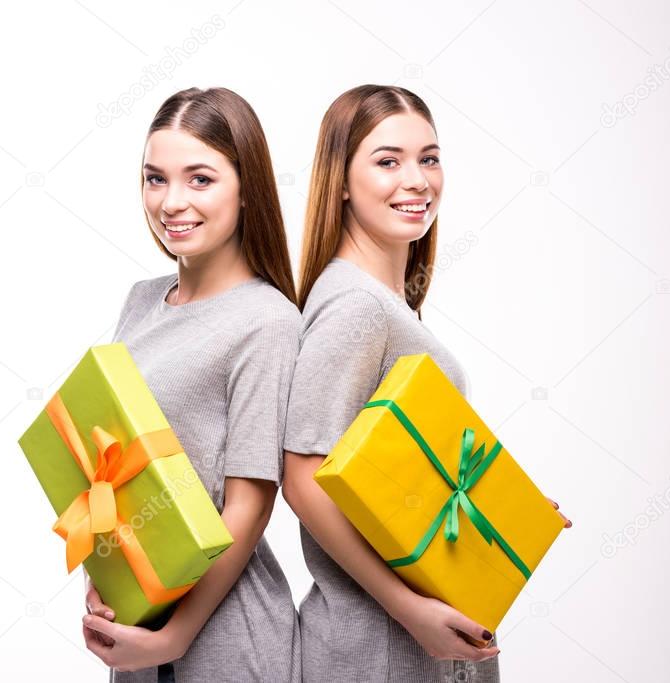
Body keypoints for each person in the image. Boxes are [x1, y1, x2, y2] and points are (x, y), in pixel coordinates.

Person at [282, 84, 572, 682]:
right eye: (388, 161)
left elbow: (389, 473)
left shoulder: (388, 304)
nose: (416, 180)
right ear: (340, 180)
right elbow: (303, 478)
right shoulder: (355, 308)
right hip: (376, 650)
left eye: (429, 158)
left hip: (414, 646)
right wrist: (409, 608)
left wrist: (505, 507)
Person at [80, 87, 302, 683]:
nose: (171, 201)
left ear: (246, 187)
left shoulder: (268, 320)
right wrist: (103, 582)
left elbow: (249, 505)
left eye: (199, 179)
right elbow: (113, 472)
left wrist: (174, 637)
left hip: (226, 640)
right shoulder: (141, 301)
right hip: (138, 630)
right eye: (155, 179)